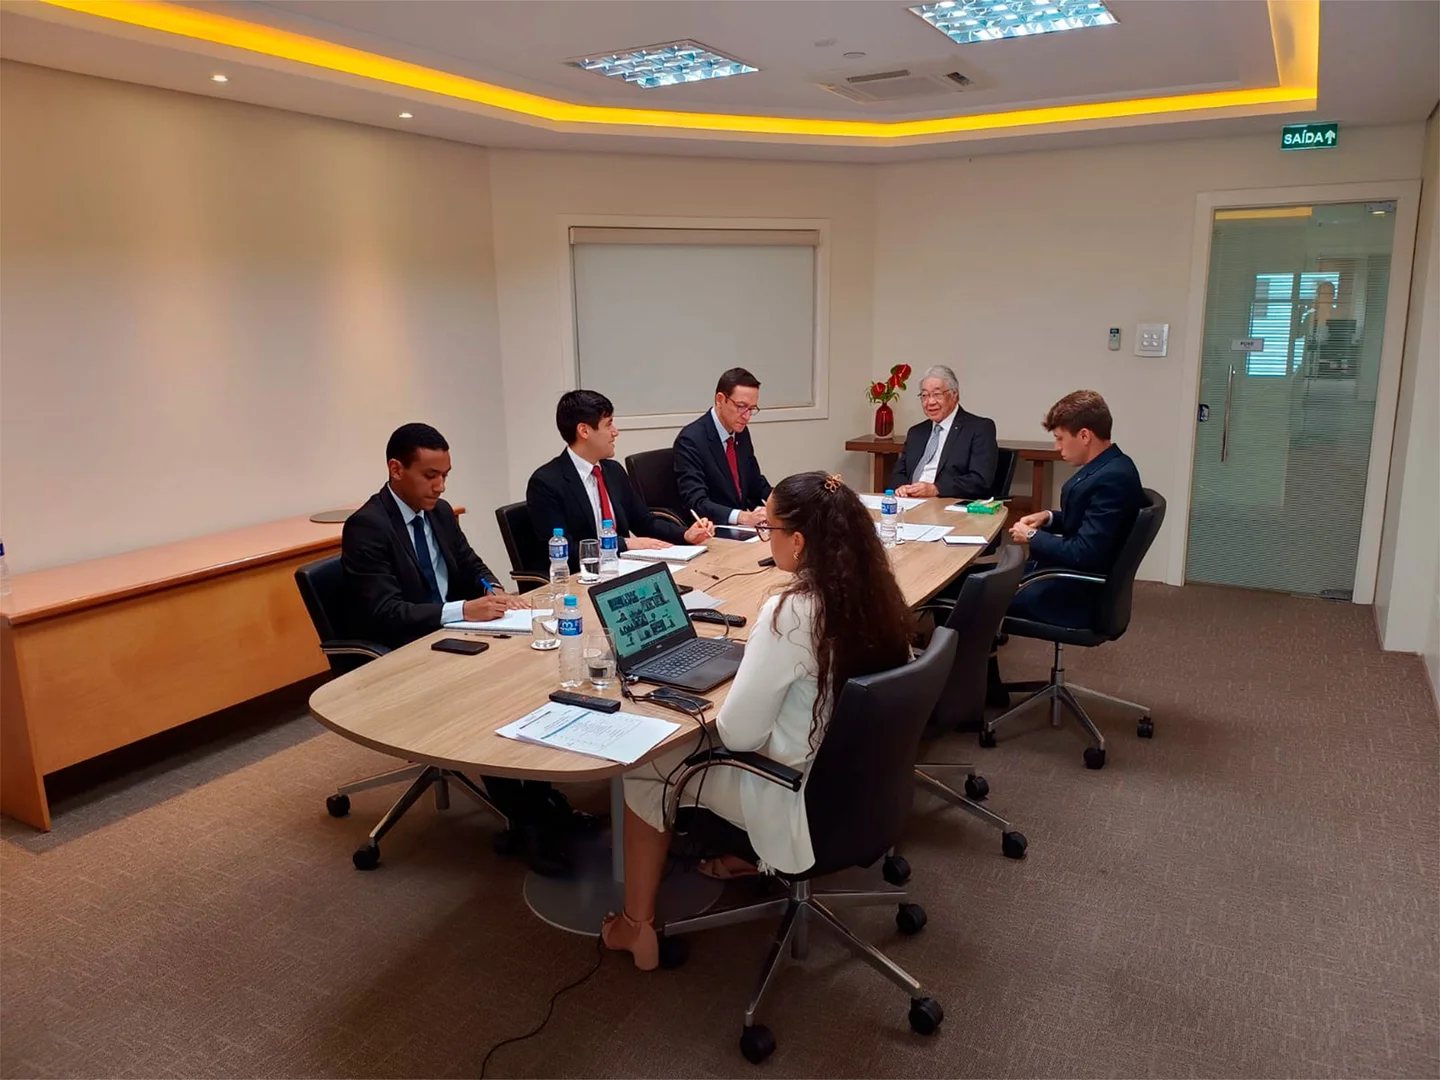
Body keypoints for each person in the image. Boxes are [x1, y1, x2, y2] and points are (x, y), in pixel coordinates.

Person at [601, 472, 914, 970]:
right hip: (857, 781)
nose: (766, 538)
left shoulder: (792, 611)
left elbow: (739, 735)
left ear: (799, 541)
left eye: (769, 529)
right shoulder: (876, 593)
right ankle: (748, 858)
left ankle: (636, 927)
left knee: (643, 770)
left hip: (795, 792)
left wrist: (748, 675)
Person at [341, 422, 592, 875]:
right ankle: (527, 824)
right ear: (396, 469)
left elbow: (469, 562)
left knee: (532, 676)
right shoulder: (367, 527)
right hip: (405, 653)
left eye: (445, 475)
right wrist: (461, 609)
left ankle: (545, 799)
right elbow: (385, 612)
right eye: (430, 475)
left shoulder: (438, 512)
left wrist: (492, 589)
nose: (440, 486)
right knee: (493, 700)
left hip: (455, 638)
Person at [528, 390, 713, 568]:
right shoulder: (547, 483)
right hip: (583, 576)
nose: (615, 432)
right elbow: (564, 549)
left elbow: (644, 522)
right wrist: (625, 544)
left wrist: (686, 534)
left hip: (624, 568)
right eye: (608, 424)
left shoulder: (613, 471)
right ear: (584, 431)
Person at [1006, 390, 1144, 628]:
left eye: (1060, 438)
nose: (1057, 446)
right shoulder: (1113, 466)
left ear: (1084, 435)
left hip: (1073, 595)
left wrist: (1032, 536)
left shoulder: (1112, 479)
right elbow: (1091, 522)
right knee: (978, 581)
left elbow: (1084, 551)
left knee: (974, 593)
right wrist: (1048, 517)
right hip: (1067, 578)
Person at [673, 367, 772, 528]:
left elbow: (755, 484)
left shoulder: (740, 433)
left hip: (741, 529)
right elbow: (696, 502)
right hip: (711, 529)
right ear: (720, 399)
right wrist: (743, 517)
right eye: (741, 406)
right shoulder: (691, 439)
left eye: (752, 409)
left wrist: (781, 504)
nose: (747, 416)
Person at [889, 365, 998, 501]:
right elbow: (899, 473)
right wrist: (902, 488)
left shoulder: (979, 428)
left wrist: (936, 489)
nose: (930, 402)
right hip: (909, 502)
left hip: (947, 502)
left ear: (954, 394)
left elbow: (980, 480)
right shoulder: (916, 432)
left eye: (937, 394)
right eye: (924, 395)